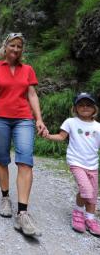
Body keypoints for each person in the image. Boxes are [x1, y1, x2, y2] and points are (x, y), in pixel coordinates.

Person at [0, 32, 47, 237]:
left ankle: (22, 213)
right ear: (5, 47)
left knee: (25, 161)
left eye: (19, 46)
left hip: (24, 119)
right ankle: (5, 197)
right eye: (12, 45)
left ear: (22, 49)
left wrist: (38, 119)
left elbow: (32, 95)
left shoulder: (28, 70)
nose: (15, 49)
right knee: (2, 158)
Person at [43, 92, 100, 236]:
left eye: (88, 105)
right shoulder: (70, 122)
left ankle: (91, 219)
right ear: (75, 108)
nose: (85, 107)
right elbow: (62, 137)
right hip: (76, 162)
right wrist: (48, 136)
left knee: (92, 195)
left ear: (94, 108)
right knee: (86, 190)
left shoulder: (98, 126)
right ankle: (78, 212)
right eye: (81, 105)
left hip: (92, 165)